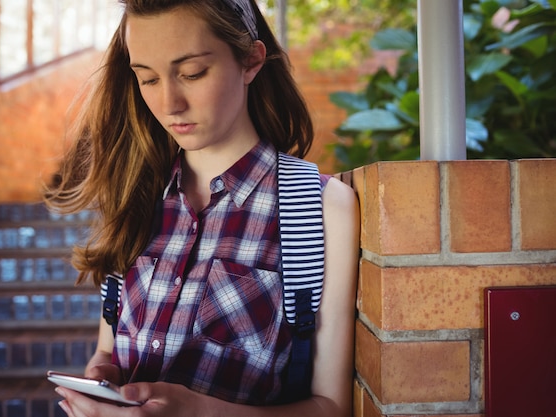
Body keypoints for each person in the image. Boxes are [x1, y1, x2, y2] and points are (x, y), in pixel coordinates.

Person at [45, 0, 360, 416]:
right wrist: (103, 388)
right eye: (148, 78)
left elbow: (331, 406)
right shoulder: (133, 199)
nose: (169, 102)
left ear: (251, 60)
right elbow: (107, 353)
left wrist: (202, 412)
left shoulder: (318, 208)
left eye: (192, 73)